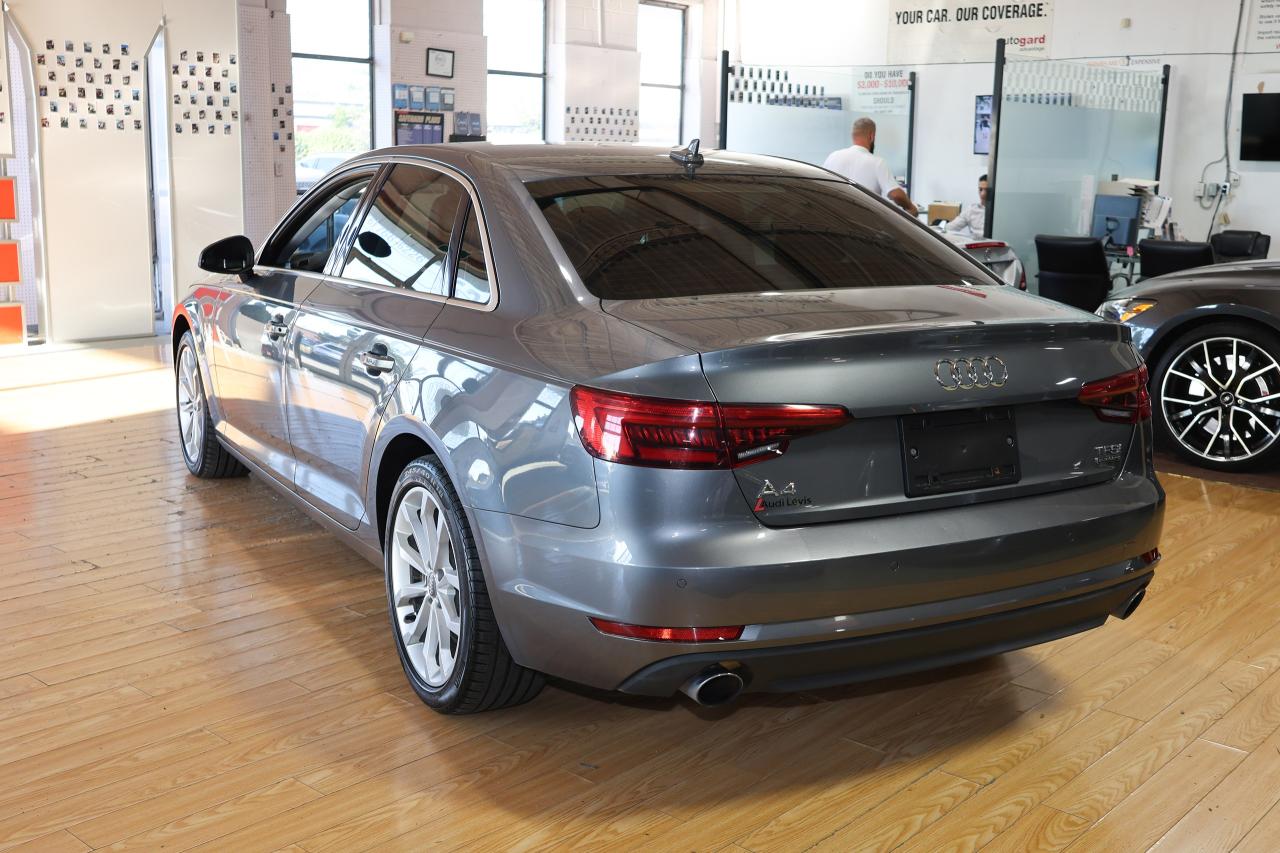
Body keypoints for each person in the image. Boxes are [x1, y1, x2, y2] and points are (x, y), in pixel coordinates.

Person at [822, 117, 918, 217]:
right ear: (871, 136)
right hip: (865, 226)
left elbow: (821, 186)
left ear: (853, 136)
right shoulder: (877, 162)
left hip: (834, 222)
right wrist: (911, 207)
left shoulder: (833, 157)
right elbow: (896, 194)